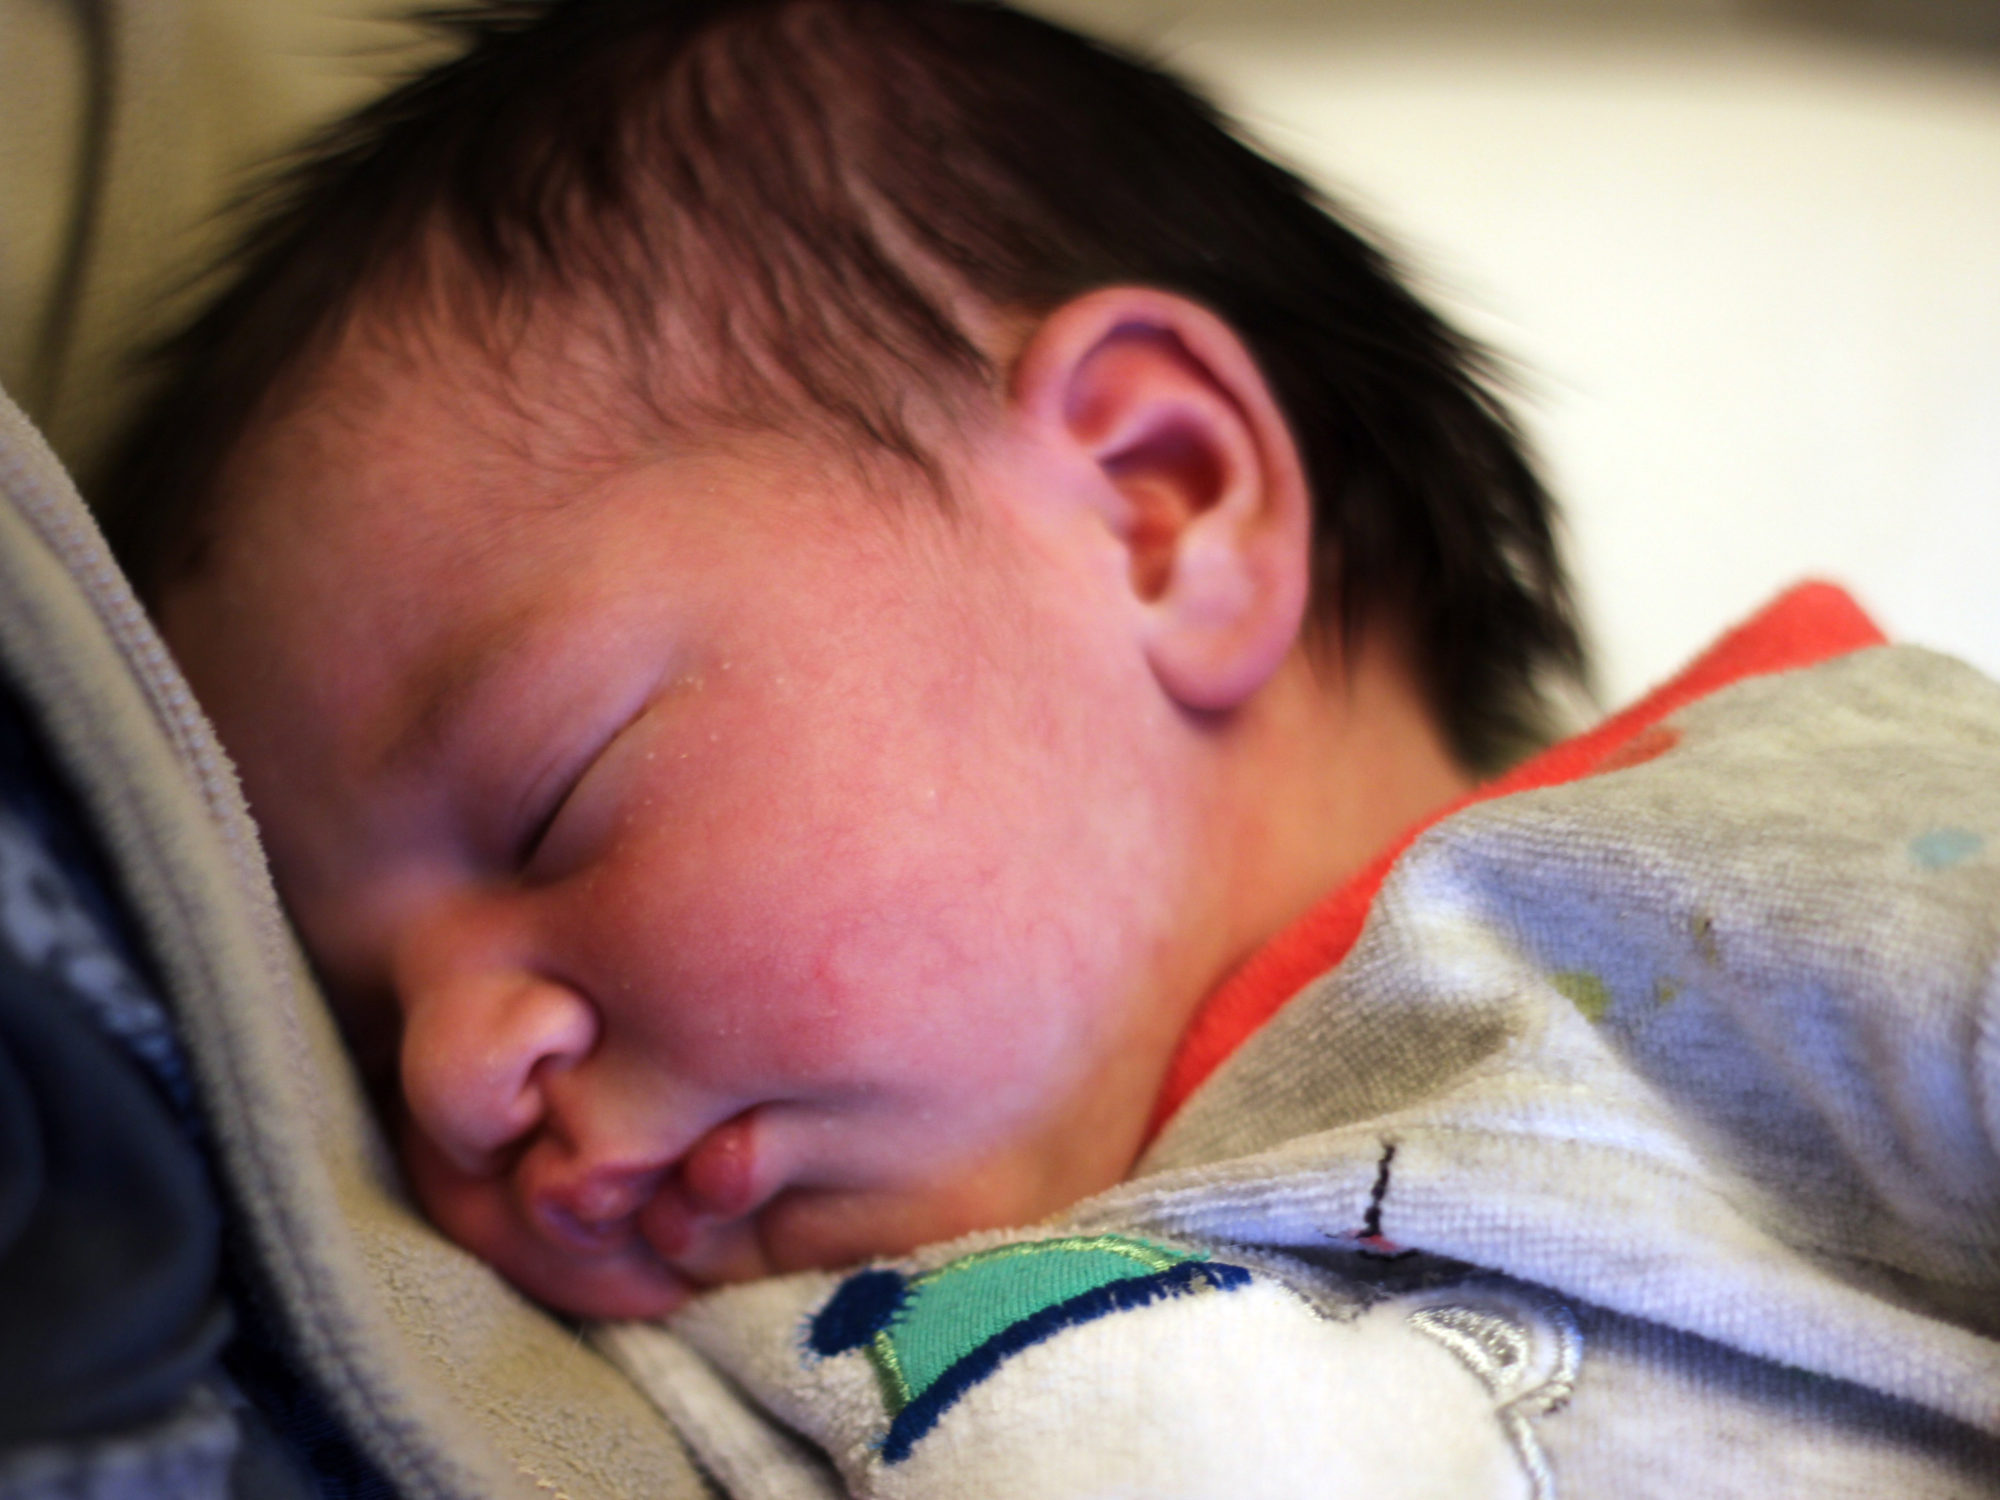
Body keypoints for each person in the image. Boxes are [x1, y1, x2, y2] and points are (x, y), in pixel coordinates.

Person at [99, 0, 2000, 1493]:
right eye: (365, 1027)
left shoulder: (1730, 887)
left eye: (551, 801)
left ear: (1158, 507)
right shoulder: (724, 1384)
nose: (451, 1082)